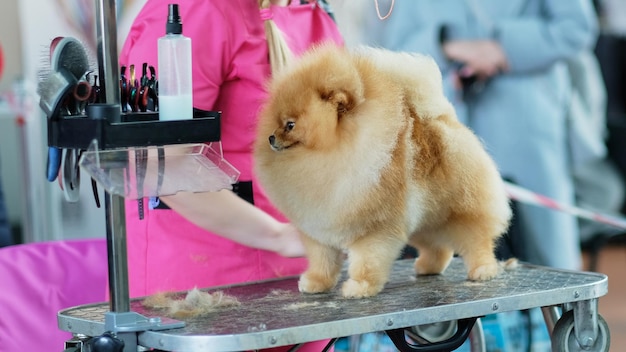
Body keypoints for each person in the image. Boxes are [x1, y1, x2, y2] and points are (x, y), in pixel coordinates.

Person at [119, 1, 343, 350]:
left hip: (300, 292)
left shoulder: (312, 13)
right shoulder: (200, 12)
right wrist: (281, 236)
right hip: (201, 304)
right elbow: (159, 165)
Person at [361, 0, 598, 270]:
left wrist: (500, 48)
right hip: (447, 124)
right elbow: (396, 47)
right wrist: (446, 46)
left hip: (528, 126)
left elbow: (577, 28)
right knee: (454, 259)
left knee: (547, 251)